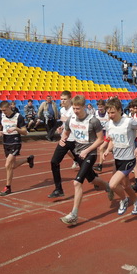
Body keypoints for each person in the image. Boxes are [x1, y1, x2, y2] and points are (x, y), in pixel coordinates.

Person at [59, 95, 113, 226]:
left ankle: (74, 214)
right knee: (92, 179)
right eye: (74, 108)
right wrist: (62, 138)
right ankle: (108, 186)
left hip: (90, 153)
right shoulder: (71, 119)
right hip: (79, 153)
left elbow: (100, 139)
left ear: (84, 107)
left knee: (77, 183)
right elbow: (66, 132)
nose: (76, 111)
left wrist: (87, 150)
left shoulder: (93, 121)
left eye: (78, 108)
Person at [103, 97, 137, 215]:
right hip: (117, 159)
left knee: (112, 184)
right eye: (108, 113)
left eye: (113, 112)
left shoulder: (128, 122)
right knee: (126, 185)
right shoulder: (109, 124)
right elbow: (112, 140)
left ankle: (124, 200)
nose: (110, 115)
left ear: (120, 110)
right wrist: (108, 149)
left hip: (129, 159)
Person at [0, 101, 34, 196]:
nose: (3, 112)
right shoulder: (1, 116)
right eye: (2, 111)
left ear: (9, 107)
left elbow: (25, 132)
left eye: (5, 110)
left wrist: (16, 129)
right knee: (11, 166)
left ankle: (8, 187)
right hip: (6, 142)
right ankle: (28, 159)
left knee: (7, 165)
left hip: (15, 142)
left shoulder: (18, 117)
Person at [48, 91, 76, 198]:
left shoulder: (74, 110)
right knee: (54, 162)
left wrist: (67, 121)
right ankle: (58, 189)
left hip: (74, 141)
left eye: (64, 99)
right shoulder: (62, 109)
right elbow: (65, 124)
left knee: (83, 164)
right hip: (64, 140)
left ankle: (96, 179)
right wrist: (62, 127)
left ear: (70, 99)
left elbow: (77, 124)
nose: (62, 101)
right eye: (61, 99)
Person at [93, 99, 109, 172]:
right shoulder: (96, 113)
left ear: (104, 106)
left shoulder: (108, 113)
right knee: (99, 148)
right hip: (99, 133)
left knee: (101, 148)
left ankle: (100, 165)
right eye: (98, 107)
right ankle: (99, 165)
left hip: (107, 133)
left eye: (101, 106)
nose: (100, 108)